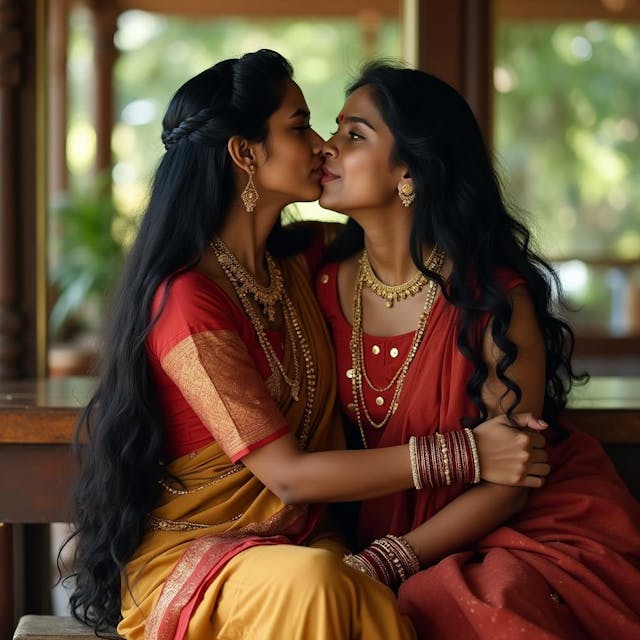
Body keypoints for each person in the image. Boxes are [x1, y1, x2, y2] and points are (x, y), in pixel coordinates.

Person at [66, 51, 549, 640]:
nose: (322, 145)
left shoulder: (302, 265)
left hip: (305, 544)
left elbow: (407, 254)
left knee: (346, 583)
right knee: (324, 582)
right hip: (204, 561)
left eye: (342, 132)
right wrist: (464, 453)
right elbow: (288, 479)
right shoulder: (188, 299)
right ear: (245, 153)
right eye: (301, 126)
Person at [316, 62, 640, 639]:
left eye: (354, 135)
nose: (326, 147)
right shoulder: (314, 285)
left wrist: (385, 562)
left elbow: (512, 476)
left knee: (465, 600)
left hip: (517, 525)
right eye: (334, 129)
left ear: (409, 170)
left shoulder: (491, 297)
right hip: (370, 528)